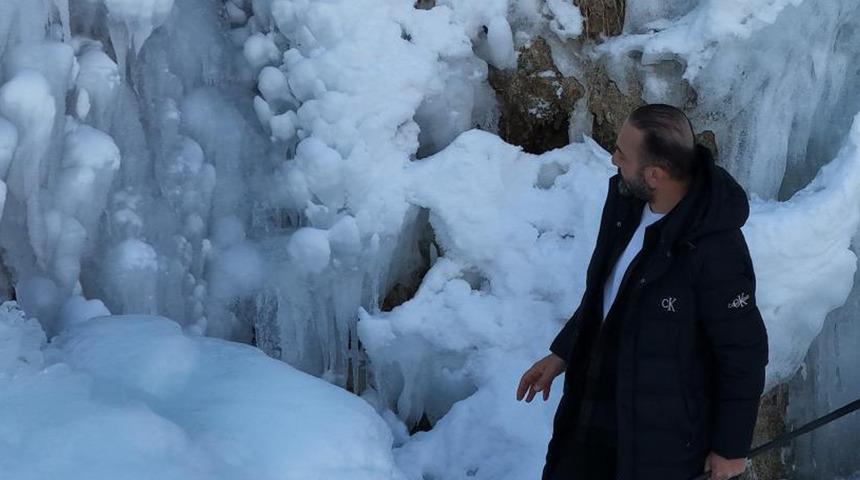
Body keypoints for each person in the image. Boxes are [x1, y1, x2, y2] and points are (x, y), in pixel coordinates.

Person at [516, 104, 769, 480]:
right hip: (589, 412)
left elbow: (742, 355)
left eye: (622, 152)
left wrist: (730, 449)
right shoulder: (624, 204)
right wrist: (563, 353)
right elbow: (606, 294)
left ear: (655, 174)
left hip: (657, 441)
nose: (613, 158)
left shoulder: (716, 250)